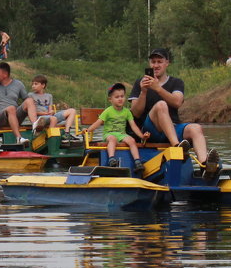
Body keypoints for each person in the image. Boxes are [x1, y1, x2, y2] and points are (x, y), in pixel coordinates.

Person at [129, 48, 219, 176]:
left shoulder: (176, 82)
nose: (156, 65)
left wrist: (158, 88)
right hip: (149, 131)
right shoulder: (140, 83)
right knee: (161, 105)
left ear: (167, 63)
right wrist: (143, 91)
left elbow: (177, 102)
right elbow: (135, 113)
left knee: (196, 128)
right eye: (153, 62)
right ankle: (177, 147)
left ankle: (204, 166)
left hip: (172, 128)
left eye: (159, 62)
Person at [84, 83, 147, 168]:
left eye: (122, 96)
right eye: (117, 97)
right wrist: (88, 130)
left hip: (121, 135)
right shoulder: (108, 111)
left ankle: (137, 161)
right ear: (110, 99)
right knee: (113, 139)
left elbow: (133, 126)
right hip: (109, 134)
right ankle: (111, 159)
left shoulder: (127, 111)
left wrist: (142, 136)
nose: (120, 99)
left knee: (132, 140)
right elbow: (98, 123)